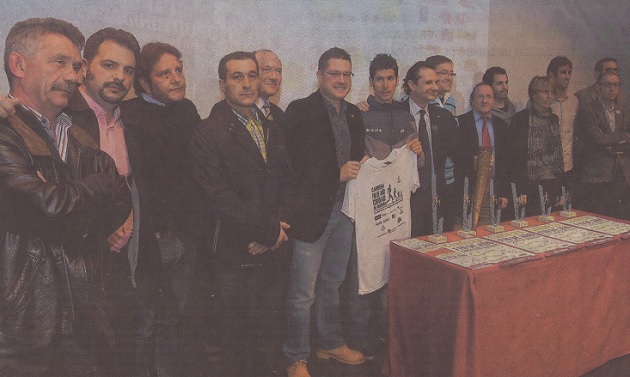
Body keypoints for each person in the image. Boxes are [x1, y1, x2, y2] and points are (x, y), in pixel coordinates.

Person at [0, 17, 130, 376]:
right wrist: (95, 189)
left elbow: (121, 204)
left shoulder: (81, 138)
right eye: (60, 62)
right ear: (18, 65)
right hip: (21, 332)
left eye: (76, 65)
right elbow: (46, 208)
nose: (74, 76)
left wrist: (58, 199)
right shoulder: (3, 132)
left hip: (85, 323)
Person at [189, 51, 292, 376]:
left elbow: (286, 180)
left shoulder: (271, 125)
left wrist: (277, 230)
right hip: (231, 254)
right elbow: (219, 197)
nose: (247, 84)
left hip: (271, 250)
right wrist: (266, 232)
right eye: (237, 77)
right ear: (223, 84)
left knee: (266, 338)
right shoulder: (207, 132)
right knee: (227, 342)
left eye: (252, 75)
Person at [120, 42, 201, 377]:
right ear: (144, 83)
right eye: (164, 73)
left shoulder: (188, 110)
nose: (176, 79)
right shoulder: (130, 115)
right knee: (145, 323)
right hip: (152, 240)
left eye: (178, 70)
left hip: (187, 238)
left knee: (173, 320)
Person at [283, 47, 366, 377]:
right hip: (311, 217)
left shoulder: (353, 114)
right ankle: (295, 357)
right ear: (319, 76)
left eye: (347, 74)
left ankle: (330, 342)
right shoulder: (299, 110)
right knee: (302, 293)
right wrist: (337, 174)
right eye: (334, 73)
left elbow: (359, 159)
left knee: (332, 284)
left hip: (345, 211)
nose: (341, 80)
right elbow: (293, 166)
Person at [64, 27, 142, 376]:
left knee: (122, 345)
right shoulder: (63, 113)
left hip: (121, 258)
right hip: (76, 258)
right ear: (85, 67)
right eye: (110, 65)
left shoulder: (131, 118)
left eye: (128, 70)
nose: (120, 77)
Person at [345, 53, 422, 359]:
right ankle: (359, 339)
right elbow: (351, 160)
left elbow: (417, 170)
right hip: (367, 214)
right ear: (371, 81)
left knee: (391, 278)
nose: (385, 85)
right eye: (379, 79)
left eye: (390, 78)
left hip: (396, 215)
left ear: (397, 80)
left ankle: (386, 337)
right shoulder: (358, 114)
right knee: (363, 276)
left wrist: (417, 151)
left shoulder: (406, 117)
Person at [400, 60, 458, 236]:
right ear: (412, 85)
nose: (435, 87)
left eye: (436, 82)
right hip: (405, 198)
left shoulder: (444, 117)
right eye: (428, 83)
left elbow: (459, 154)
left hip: (437, 196)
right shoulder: (396, 113)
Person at [576, 71, 630, 220]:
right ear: (598, 87)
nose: (612, 88)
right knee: (599, 220)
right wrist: (624, 136)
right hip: (596, 176)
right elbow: (599, 139)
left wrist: (615, 144)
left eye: (616, 85)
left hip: (620, 175)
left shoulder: (623, 110)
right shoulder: (588, 110)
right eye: (607, 84)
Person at [508, 76, 564, 216]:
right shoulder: (521, 119)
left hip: (551, 180)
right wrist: (521, 188)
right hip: (530, 183)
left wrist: (560, 188)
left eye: (552, 92)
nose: (549, 96)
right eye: (545, 92)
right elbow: (516, 157)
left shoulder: (553, 119)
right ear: (533, 94)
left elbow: (558, 155)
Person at [454, 83, 510, 225]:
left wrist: (503, 192)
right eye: (480, 97)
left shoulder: (501, 125)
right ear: (472, 100)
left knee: (485, 236)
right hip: (465, 193)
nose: (485, 101)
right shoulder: (459, 123)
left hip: (490, 194)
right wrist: (472, 161)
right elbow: (455, 156)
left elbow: (505, 162)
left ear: (493, 100)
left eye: (488, 97)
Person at [547, 56, 578, 192]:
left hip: (568, 167)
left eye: (569, 72)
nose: (567, 77)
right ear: (552, 75)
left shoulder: (575, 101)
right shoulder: (542, 101)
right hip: (547, 168)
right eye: (563, 72)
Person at [254, 49, 285, 126]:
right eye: (266, 69)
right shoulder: (240, 111)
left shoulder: (279, 115)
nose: (274, 77)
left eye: (278, 71)